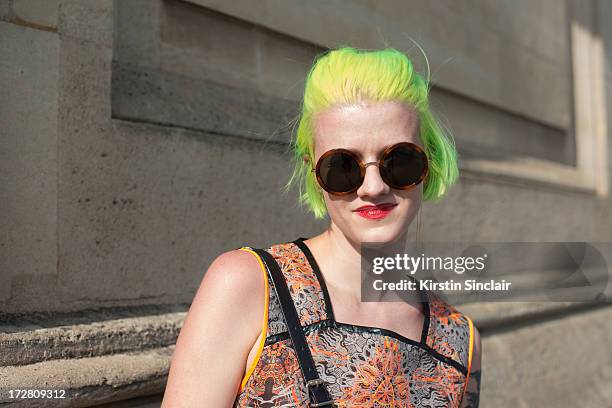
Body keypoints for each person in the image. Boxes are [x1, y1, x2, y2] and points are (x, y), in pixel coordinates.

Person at [162, 47, 482, 408]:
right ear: (314, 174)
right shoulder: (248, 285)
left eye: (400, 161)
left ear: (431, 162)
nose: (373, 187)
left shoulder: (458, 338)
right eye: (343, 166)